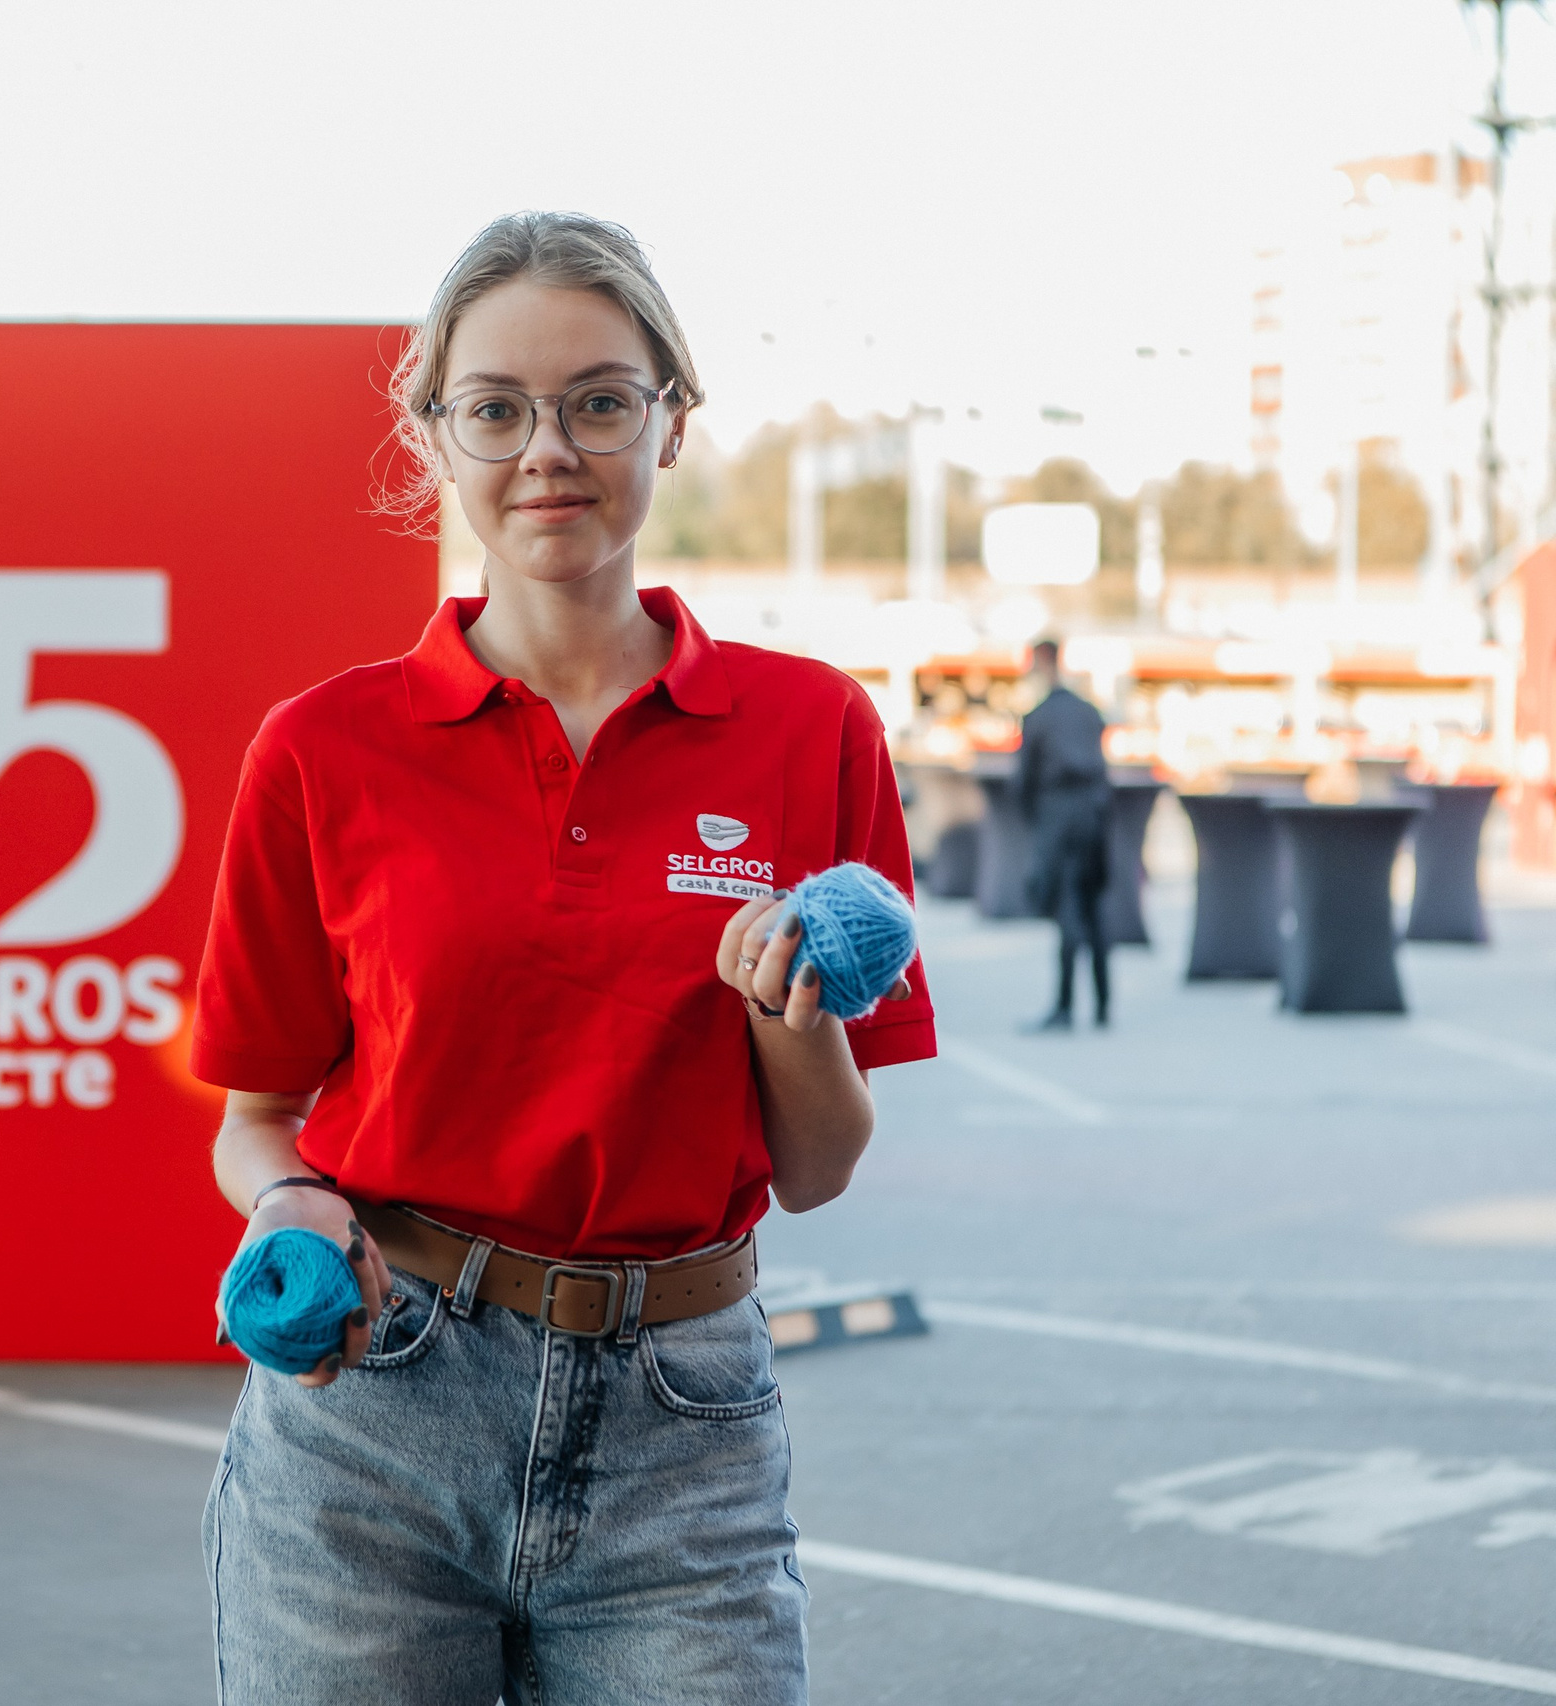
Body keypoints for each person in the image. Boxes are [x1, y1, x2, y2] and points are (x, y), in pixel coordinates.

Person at [191, 212, 936, 1706]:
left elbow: (823, 1162)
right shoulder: (323, 748)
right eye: (497, 407)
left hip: (684, 1421)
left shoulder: (811, 730)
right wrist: (293, 1210)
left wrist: (779, 1009)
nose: (551, 447)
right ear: (434, 430)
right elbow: (256, 1115)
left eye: (601, 398)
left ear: (674, 417)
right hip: (376, 1414)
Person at [1015, 637, 1112, 1030]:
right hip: (1094, 814)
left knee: (1068, 910)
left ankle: (1066, 1005)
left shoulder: (1038, 717)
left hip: (1059, 817)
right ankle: (1103, 1004)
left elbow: (1023, 780)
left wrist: (1035, 820)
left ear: (1041, 660)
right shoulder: (1089, 712)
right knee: (1094, 908)